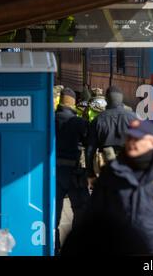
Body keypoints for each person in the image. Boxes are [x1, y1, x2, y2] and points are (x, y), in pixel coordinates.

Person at [61, 120, 153, 256]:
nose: (132, 142)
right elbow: (92, 215)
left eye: (138, 139)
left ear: (152, 142)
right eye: (129, 138)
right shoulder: (112, 172)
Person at [54, 88, 90, 255]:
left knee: (54, 210)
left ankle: (54, 245)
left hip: (53, 173)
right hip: (74, 173)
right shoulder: (78, 122)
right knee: (81, 209)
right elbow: (88, 143)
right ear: (73, 103)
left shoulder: (50, 119)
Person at [85, 86, 137, 178]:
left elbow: (90, 149)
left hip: (105, 164)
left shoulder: (98, 119)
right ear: (121, 100)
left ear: (107, 100)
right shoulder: (133, 118)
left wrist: (90, 173)